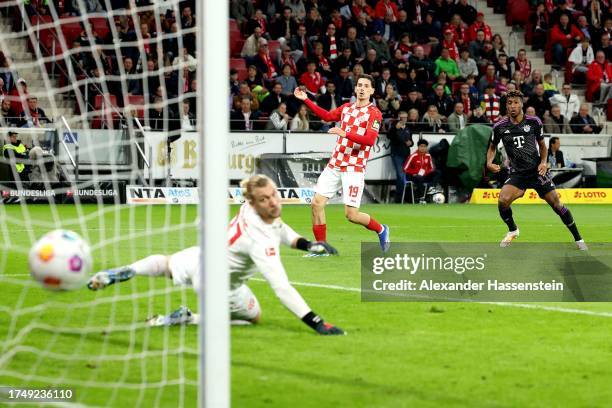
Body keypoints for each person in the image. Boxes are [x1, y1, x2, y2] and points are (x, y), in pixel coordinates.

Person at [88, 175, 344, 335]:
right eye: (266, 199)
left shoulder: (251, 208)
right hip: (220, 286)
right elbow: (281, 288)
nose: (274, 202)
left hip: (204, 256)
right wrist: (317, 322)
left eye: (274, 195)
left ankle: (125, 271)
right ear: (254, 203)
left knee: (165, 265)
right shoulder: (260, 239)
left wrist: (307, 244)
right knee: (253, 318)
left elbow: (281, 229)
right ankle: (190, 318)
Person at [293, 75, 390, 252]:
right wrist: (306, 99)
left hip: (354, 167)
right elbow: (327, 116)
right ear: (355, 89)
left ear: (372, 91)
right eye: (359, 85)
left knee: (351, 215)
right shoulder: (346, 108)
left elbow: (369, 140)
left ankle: (381, 229)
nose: (361, 88)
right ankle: (321, 248)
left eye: (365, 86)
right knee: (316, 204)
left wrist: (345, 134)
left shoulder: (374, 113)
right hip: (335, 164)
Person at [486, 90, 586, 250]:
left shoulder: (533, 122)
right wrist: (489, 162)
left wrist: (544, 162)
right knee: (502, 201)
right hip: (518, 173)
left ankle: (579, 239)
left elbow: (542, 145)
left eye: (516, 102)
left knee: (557, 205)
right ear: (506, 106)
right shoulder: (499, 127)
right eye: (509, 103)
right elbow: (492, 147)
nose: (512, 106)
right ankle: (513, 230)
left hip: (536, 171)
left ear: (522, 104)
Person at [387, 111, 413, 203]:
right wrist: (395, 128)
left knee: (402, 176)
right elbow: (389, 136)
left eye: (405, 117)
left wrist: (410, 143)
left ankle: (400, 197)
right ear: (398, 118)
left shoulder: (408, 128)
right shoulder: (394, 127)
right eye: (402, 117)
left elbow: (411, 141)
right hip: (397, 154)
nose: (403, 119)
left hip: (406, 154)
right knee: (401, 175)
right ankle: (400, 197)